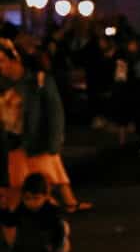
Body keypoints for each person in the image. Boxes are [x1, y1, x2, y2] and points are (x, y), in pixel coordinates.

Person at [0, 38, 90, 214]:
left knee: (47, 173)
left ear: (15, 59)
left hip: (35, 139)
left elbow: (55, 113)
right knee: (17, 181)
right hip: (14, 140)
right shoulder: (5, 84)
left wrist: (54, 141)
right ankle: (22, 211)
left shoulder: (38, 81)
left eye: (2, 61)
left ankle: (59, 205)